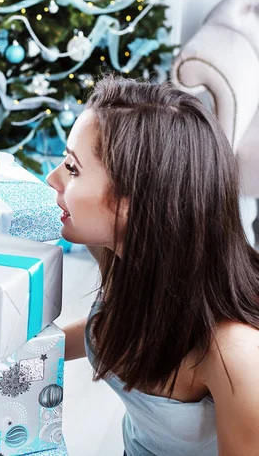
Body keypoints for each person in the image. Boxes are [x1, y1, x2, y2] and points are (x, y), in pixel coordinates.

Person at [46, 76, 259, 456]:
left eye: (72, 168)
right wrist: (17, 349)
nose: (53, 179)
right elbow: (106, 327)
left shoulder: (235, 356)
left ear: (137, 199)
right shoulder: (127, 258)